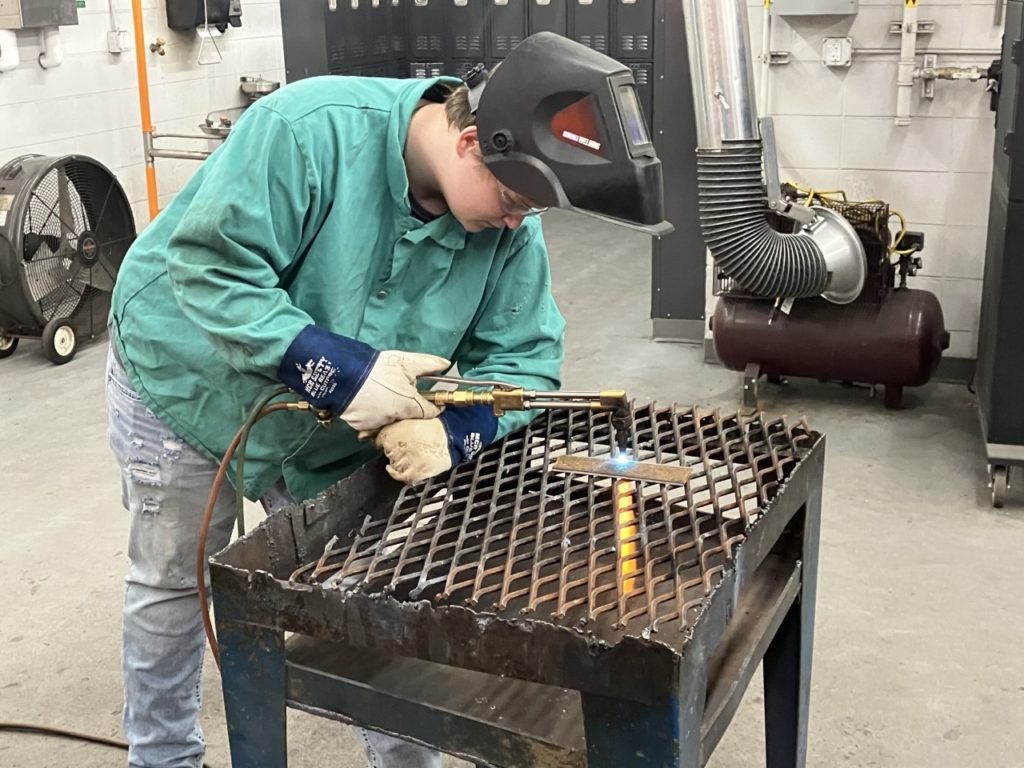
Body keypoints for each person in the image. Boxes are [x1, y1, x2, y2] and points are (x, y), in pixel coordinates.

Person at [106, 31, 668, 768]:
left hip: (334, 436)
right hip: (188, 379)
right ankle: (163, 758)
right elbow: (212, 267)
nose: (516, 221)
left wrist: (462, 429)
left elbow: (525, 360)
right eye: (512, 199)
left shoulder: (507, 228)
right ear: (471, 140)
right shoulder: (308, 129)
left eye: (533, 210)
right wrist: (333, 370)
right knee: (176, 583)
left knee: (376, 600)